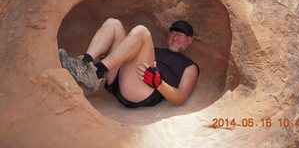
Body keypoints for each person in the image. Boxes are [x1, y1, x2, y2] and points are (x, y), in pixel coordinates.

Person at [59, 18, 199, 108]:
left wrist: (159, 83)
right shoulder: (153, 50)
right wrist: (112, 56)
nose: (175, 38)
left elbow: (181, 98)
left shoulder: (189, 65)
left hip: (142, 91)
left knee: (142, 32)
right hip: (117, 80)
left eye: (181, 35)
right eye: (173, 33)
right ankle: (85, 63)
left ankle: (96, 72)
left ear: (190, 40)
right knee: (114, 24)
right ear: (168, 35)